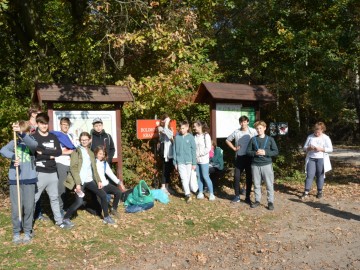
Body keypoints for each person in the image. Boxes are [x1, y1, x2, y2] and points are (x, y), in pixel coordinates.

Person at [63, 132, 115, 225]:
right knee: (79, 202)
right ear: (80, 140)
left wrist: (98, 181)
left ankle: (106, 217)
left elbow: (94, 169)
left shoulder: (91, 153)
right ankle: (66, 218)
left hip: (90, 180)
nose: (84, 141)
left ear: (89, 140)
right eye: (82, 140)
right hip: (80, 181)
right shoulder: (76, 152)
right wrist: (78, 183)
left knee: (103, 195)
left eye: (86, 140)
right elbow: (73, 168)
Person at [0, 121, 38, 244]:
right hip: (15, 179)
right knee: (16, 208)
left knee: (28, 207)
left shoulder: (31, 141)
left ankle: (27, 231)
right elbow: (2, 150)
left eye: (24, 131)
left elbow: (34, 146)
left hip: (29, 180)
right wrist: (13, 157)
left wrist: (22, 134)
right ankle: (16, 232)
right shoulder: (14, 143)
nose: (21, 134)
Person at [32, 113, 72, 229]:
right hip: (39, 172)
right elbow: (35, 154)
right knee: (34, 198)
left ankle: (59, 222)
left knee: (54, 198)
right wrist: (50, 154)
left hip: (52, 171)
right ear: (37, 124)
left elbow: (58, 152)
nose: (44, 126)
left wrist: (44, 153)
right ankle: (28, 223)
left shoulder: (53, 137)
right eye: (41, 123)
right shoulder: (34, 137)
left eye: (46, 123)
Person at [246, 121, 279, 210]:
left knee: (269, 184)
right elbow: (248, 152)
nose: (259, 130)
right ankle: (257, 200)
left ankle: (270, 202)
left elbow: (276, 151)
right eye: (257, 128)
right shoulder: (253, 139)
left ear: (264, 128)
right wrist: (255, 153)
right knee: (256, 184)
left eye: (260, 128)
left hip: (266, 164)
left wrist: (266, 152)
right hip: (255, 165)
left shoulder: (270, 139)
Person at [226, 115, 257, 204]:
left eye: (244, 122)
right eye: (241, 122)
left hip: (249, 157)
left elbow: (258, 140)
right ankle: (237, 196)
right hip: (239, 157)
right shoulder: (237, 132)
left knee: (249, 177)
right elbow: (228, 140)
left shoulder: (253, 131)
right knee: (236, 176)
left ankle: (247, 197)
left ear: (247, 122)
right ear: (239, 123)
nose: (243, 124)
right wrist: (234, 148)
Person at [50, 117, 78, 214]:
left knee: (67, 186)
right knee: (61, 186)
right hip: (61, 163)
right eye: (63, 124)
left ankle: (65, 206)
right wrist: (68, 152)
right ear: (60, 125)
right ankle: (59, 209)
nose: (65, 126)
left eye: (67, 125)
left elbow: (74, 149)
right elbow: (55, 151)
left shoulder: (70, 136)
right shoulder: (56, 136)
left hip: (70, 164)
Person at [301, 122, 333, 199]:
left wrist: (321, 149)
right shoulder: (310, 137)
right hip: (311, 158)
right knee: (309, 175)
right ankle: (306, 192)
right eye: (315, 131)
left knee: (320, 175)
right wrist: (309, 148)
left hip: (321, 159)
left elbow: (330, 149)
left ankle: (319, 191)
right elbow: (304, 148)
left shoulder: (326, 137)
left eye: (318, 132)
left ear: (322, 130)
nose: (316, 133)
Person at [94, 145, 127, 218]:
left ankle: (113, 209)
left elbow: (111, 174)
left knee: (118, 192)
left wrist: (119, 183)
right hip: (97, 186)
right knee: (100, 206)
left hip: (105, 184)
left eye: (103, 154)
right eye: (100, 153)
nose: (101, 156)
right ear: (96, 153)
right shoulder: (93, 163)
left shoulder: (105, 163)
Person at [173, 120, 197, 203]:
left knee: (188, 178)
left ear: (187, 128)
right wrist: (175, 162)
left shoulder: (190, 137)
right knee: (183, 178)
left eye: (183, 128)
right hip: (180, 161)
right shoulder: (177, 137)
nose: (181, 130)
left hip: (189, 161)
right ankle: (187, 194)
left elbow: (194, 150)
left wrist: (194, 163)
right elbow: (174, 150)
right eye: (180, 128)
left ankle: (190, 191)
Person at [193, 120, 215, 201]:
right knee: (199, 176)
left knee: (205, 176)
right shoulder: (195, 136)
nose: (194, 128)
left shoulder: (206, 136)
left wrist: (199, 154)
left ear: (200, 126)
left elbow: (208, 148)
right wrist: (195, 156)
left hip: (204, 160)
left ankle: (212, 193)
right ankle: (200, 192)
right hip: (196, 160)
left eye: (195, 126)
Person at [157, 114, 174, 195]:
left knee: (169, 169)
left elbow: (171, 136)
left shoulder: (170, 128)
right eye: (166, 120)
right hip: (164, 151)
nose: (167, 122)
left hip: (170, 151)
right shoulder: (160, 128)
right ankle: (163, 187)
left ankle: (167, 186)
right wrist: (166, 125)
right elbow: (165, 133)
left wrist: (168, 126)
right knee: (164, 169)